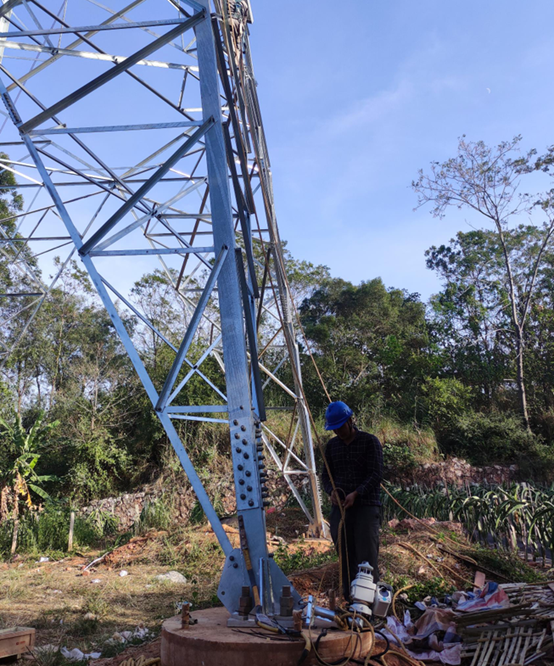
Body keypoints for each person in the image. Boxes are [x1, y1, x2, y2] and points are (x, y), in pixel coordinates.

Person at [321, 401, 383, 602]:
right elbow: (326, 476)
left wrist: (357, 493)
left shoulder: (369, 442)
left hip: (365, 507)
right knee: (345, 555)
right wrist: (331, 492)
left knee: (366, 557)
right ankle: (349, 601)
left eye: (340, 426)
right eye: (334, 429)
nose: (338, 431)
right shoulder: (332, 446)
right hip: (341, 508)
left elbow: (376, 474)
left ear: (350, 421)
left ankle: (367, 605)